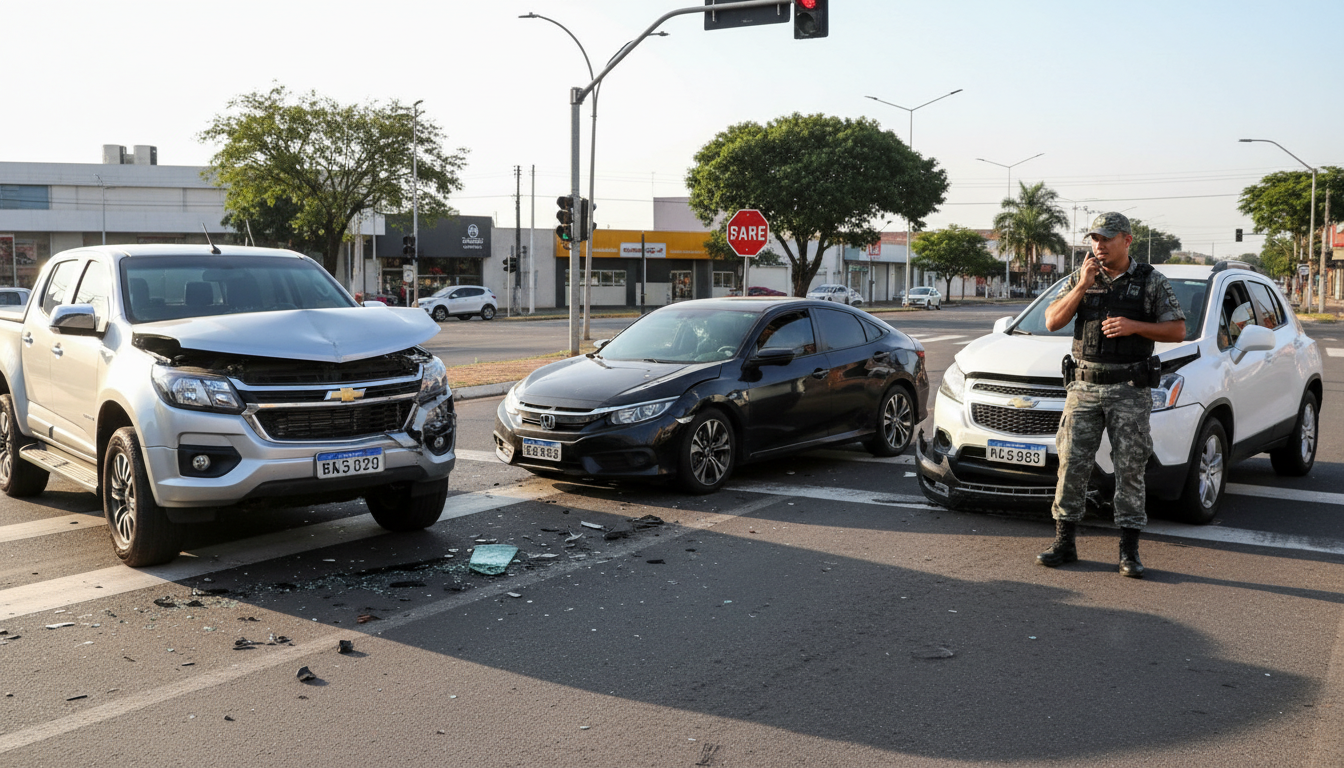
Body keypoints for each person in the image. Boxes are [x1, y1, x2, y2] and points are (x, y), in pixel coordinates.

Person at [1038, 212, 1187, 578]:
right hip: (1084, 386)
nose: (1098, 245)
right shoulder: (1082, 277)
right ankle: (1065, 542)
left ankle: (1128, 549)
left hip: (1128, 388)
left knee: (1130, 469)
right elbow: (1052, 321)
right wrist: (1081, 286)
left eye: (1106, 238)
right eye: (1094, 239)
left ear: (1126, 240)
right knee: (1071, 464)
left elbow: (1178, 330)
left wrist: (1134, 326)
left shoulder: (1150, 281)